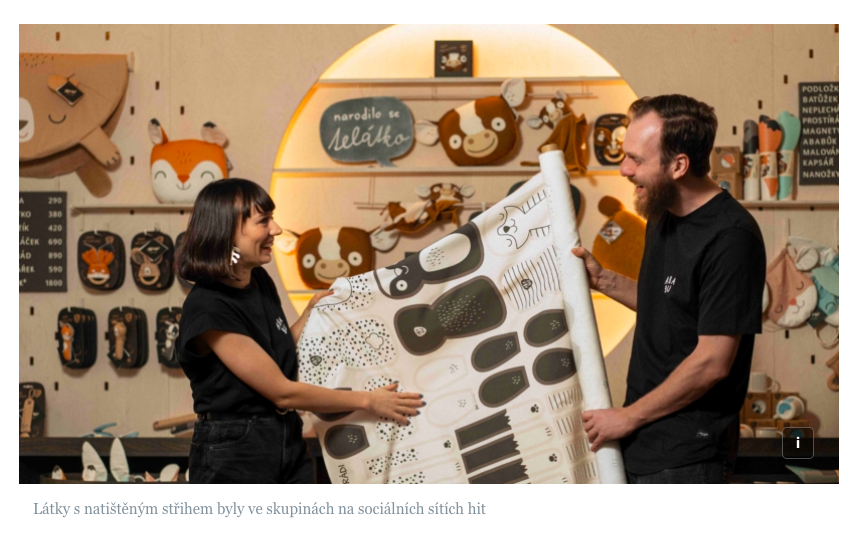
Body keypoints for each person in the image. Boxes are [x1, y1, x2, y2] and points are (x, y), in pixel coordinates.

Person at [175, 179, 424, 484]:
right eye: (263, 221)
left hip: (283, 435)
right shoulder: (209, 307)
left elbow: (275, 355)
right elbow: (281, 391)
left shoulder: (258, 281)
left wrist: (309, 314)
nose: (276, 229)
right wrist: (368, 401)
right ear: (226, 230)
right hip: (235, 446)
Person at [572, 95, 766, 484]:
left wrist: (626, 417)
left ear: (678, 165)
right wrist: (603, 279)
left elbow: (712, 362)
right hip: (642, 444)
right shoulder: (662, 215)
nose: (624, 169)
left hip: (689, 459)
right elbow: (668, 305)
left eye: (636, 159)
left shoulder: (732, 237)